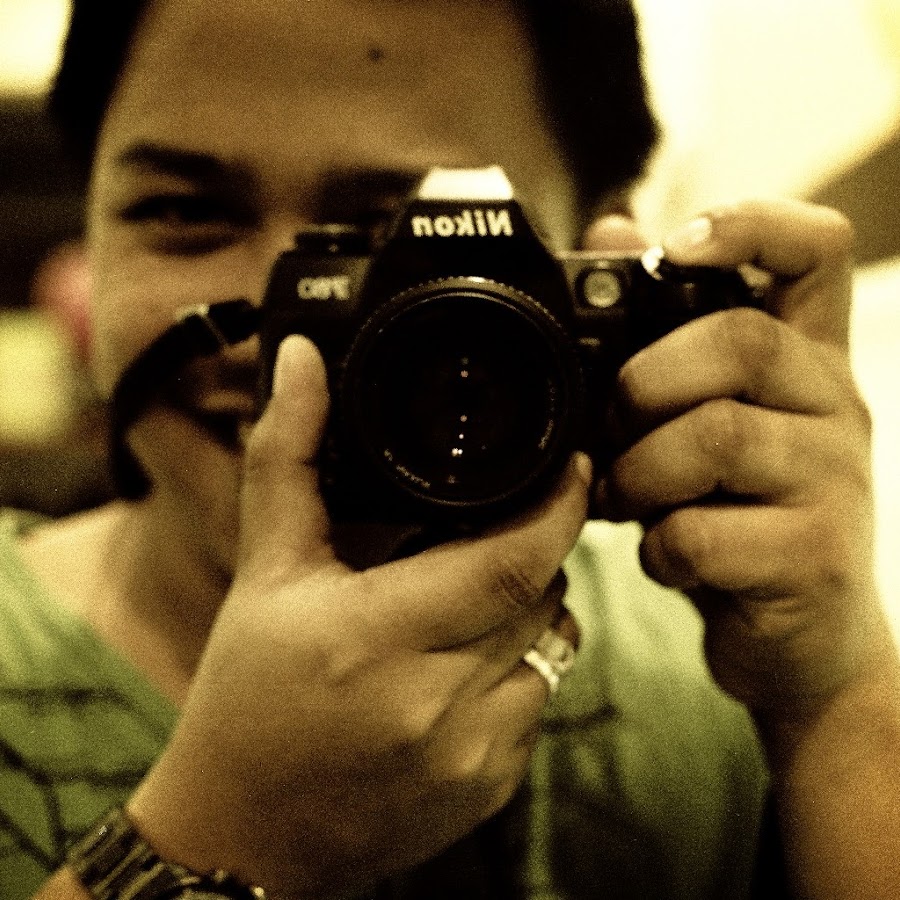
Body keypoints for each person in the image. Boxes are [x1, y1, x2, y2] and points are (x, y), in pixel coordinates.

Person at [1, 0, 897, 897]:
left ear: (597, 257)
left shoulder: (722, 660)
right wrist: (222, 837)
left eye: (388, 234)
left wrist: (836, 698)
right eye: (183, 210)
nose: (280, 333)